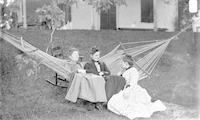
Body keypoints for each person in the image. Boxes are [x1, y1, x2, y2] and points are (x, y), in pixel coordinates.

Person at [107, 54, 166, 120]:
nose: (121, 64)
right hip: (124, 88)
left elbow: (133, 83)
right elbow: (120, 79)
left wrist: (128, 89)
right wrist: (120, 73)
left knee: (119, 102)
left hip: (131, 89)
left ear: (126, 63)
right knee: (113, 101)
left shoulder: (133, 71)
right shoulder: (125, 70)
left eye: (122, 62)